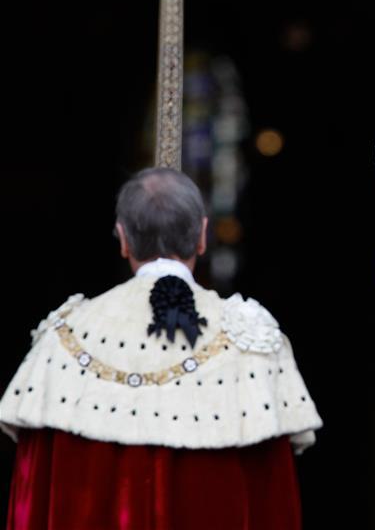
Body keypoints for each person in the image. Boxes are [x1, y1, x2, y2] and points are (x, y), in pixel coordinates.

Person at [0, 167, 322, 530]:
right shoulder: (257, 339)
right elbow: (276, 507)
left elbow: (30, 502)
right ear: (202, 235)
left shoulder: (60, 338)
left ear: (122, 238)